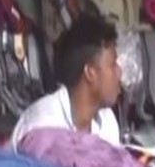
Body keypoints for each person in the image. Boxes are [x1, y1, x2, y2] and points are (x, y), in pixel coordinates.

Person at [11, 14, 123, 147]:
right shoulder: (42, 125)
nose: (119, 72)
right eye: (113, 64)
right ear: (90, 72)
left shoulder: (107, 123)